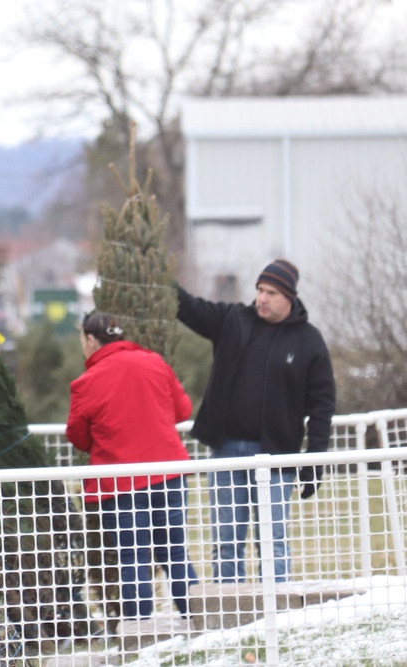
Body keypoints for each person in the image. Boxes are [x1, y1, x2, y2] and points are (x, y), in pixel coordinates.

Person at [176, 258, 336, 583]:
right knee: (226, 543)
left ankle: (275, 620)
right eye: (260, 290)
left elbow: (322, 406)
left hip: (277, 458)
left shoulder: (309, 341)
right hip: (226, 453)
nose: (262, 298)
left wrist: (314, 460)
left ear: (289, 296)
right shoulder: (233, 320)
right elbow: (189, 307)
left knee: (272, 543)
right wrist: (157, 278)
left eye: (272, 292)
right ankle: (229, 627)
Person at [66, 312, 197, 623]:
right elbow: (183, 409)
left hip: (119, 482)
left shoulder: (87, 382)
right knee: (175, 552)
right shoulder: (154, 362)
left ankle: (141, 636)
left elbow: (77, 434)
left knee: (133, 558)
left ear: (90, 339)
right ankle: (199, 621)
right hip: (167, 474)